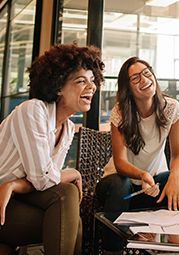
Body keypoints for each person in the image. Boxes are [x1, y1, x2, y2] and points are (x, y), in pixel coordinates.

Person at [0, 42, 105, 254]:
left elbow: (47, 183)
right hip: (3, 203)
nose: (91, 86)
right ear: (58, 87)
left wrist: (13, 185)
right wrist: (73, 172)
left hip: (15, 196)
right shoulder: (32, 110)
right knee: (67, 206)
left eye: (92, 80)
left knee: (67, 207)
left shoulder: (66, 128)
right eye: (80, 80)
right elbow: (44, 178)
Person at [95, 57, 179, 254]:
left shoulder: (172, 107)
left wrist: (173, 178)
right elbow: (120, 162)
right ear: (128, 87)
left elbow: (177, 154)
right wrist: (142, 175)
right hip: (120, 189)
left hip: (152, 188)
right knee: (120, 183)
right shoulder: (121, 112)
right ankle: (112, 251)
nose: (144, 79)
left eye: (147, 72)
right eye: (135, 78)